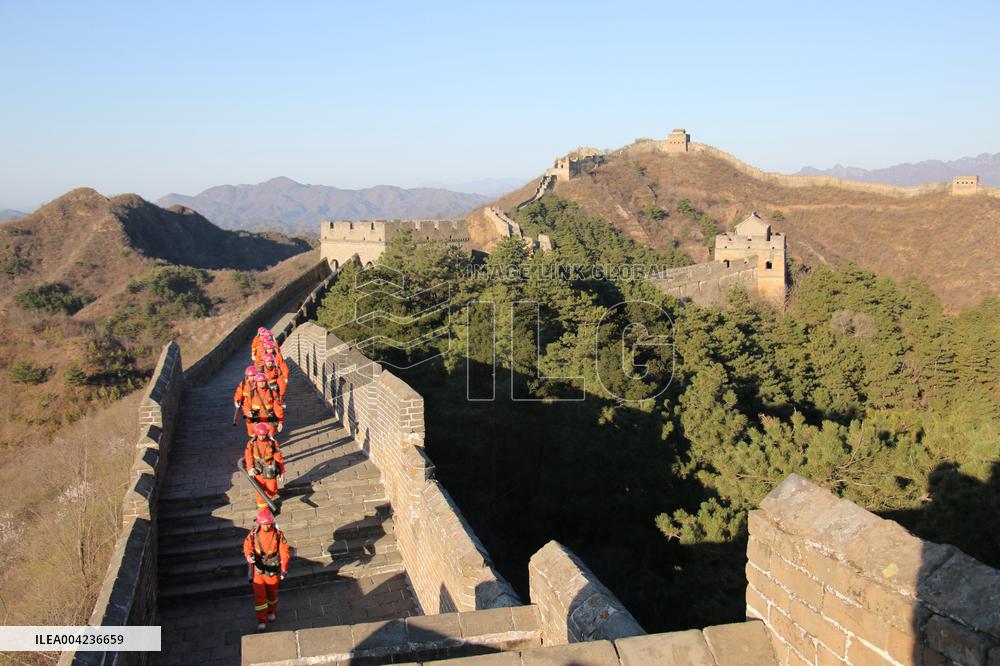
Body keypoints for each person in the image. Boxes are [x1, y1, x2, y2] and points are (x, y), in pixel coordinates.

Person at [243, 508, 290, 631]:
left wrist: (284, 568)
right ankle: (261, 620)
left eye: (268, 523)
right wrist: (249, 555)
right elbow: (247, 546)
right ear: (259, 523)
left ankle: (271, 611)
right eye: (264, 524)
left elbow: (284, 551)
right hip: (258, 570)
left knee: (272, 594)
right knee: (260, 596)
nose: (266, 526)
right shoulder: (253, 534)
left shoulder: (278, 534)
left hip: (272, 570)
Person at [244, 422, 285, 511]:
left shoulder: (273, 443)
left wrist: (282, 472)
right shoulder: (251, 443)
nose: (262, 437)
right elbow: (248, 456)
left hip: (270, 469)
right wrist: (250, 468)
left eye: (263, 435)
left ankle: (267, 501)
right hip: (258, 470)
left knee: (273, 489)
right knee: (260, 491)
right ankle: (264, 510)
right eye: (260, 435)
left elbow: (278, 458)